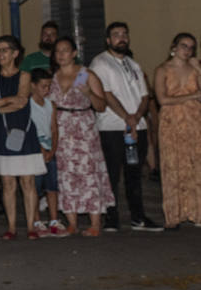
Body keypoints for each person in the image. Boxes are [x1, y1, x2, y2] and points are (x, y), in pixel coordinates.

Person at [91, 22, 163, 232]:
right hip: (112, 128)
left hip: (136, 127)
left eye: (124, 34)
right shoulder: (100, 63)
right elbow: (106, 94)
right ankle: (111, 218)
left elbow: (144, 95)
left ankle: (138, 217)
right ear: (108, 40)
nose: (121, 38)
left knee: (134, 174)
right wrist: (126, 118)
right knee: (111, 175)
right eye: (116, 35)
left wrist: (137, 117)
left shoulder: (133, 64)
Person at [0, 35, 45, 239]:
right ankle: (11, 227)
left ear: (15, 53)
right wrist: (6, 102)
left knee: (28, 182)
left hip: (23, 132)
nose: (0, 54)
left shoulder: (25, 76)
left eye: (4, 50)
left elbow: (21, 103)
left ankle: (31, 227)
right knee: (7, 182)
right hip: (1, 133)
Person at [48, 37, 112, 237]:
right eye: (58, 51)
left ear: (74, 53)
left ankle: (95, 223)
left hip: (83, 129)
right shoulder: (53, 77)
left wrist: (88, 94)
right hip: (61, 129)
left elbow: (101, 105)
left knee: (88, 173)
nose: (61, 55)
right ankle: (72, 222)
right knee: (65, 174)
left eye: (65, 50)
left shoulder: (84, 75)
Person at [153, 33, 201, 229]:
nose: (187, 50)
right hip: (171, 122)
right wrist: (193, 95)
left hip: (194, 121)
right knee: (173, 165)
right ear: (174, 47)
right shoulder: (163, 70)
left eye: (191, 47)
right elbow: (162, 99)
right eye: (184, 46)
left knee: (195, 164)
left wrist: (199, 69)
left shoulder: (195, 68)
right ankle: (174, 214)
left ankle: (196, 211)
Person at [27, 68, 68, 237]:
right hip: (34, 151)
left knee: (52, 187)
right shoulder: (27, 105)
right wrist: (41, 149)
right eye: (43, 86)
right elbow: (29, 129)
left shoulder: (50, 104)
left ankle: (53, 220)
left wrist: (52, 149)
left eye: (49, 86)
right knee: (35, 188)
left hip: (49, 150)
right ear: (33, 86)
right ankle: (36, 221)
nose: (47, 89)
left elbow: (54, 128)